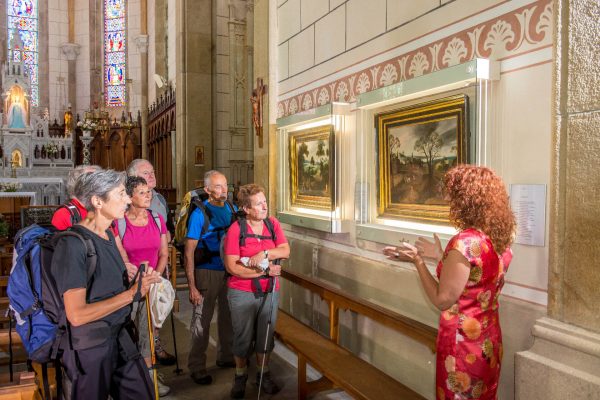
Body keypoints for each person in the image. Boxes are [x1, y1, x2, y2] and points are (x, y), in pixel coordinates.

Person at [383, 165, 515, 399]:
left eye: (452, 195)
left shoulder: (464, 243)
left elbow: (442, 299)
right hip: (488, 342)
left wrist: (418, 261)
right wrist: (441, 254)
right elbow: (477, 278)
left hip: (462, 346)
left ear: (467, 200)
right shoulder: (499, 238)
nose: (447, 200)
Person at [51, 169, 162, 399]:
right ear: (97, 201)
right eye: (121, 194)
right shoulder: (73, 244)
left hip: (119, 335)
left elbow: (108, 287)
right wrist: (131, 294)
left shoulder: (108, 235)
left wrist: (137, 278)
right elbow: (77, 315)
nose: (128, 199)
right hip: (91, 347)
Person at [222, 184, 290, 399]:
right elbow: (232, 266)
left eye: (265, 201)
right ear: (246, 208)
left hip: (270, 291)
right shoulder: (236, 229)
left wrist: (264, 253)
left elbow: (285, 250)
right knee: (242, 337)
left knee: (266, 335)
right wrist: (265, 272)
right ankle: (240, 375)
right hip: (242, 292)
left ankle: (263, 374)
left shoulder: (273, 224)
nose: (264, 205)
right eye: (259, 203)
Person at [113, 176, 170, 396]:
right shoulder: (120, 222)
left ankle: (150, 379)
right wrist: (135, 277)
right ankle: (127, 379)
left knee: (148, 333)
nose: (148, 196)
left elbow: (163, 252)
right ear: (129, 197)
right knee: (129, 332)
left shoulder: (157, 219)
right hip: (129, 285)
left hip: (153, 282)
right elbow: (122, 256)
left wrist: (156, 273)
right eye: (142, 192)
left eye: (149, 192)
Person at [184, 170, 236, 385]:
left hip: (228, 270)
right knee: (202, 321)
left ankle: (225, 356)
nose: (223, 190)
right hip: (206, 272)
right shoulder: (200, 214)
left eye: (225, 185)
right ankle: (197, 366)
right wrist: (192, 286)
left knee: (227, 317)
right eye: (217, 186)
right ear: (207, 190)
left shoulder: (231, 208)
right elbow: (189, 251)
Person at [126, 159, 175, 365]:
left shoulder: (160, 201)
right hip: (129, 280)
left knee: (152, 321)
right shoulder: (120, 217)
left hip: (156, 273)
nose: (153, 175)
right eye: (147, 173)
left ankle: (152, 359)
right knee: (132, 326)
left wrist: (157, 271)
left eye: (153, 171)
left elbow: (168, 232)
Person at [52, 165, 102, 230]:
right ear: (77, 186)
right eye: (92, 180)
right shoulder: (63, 214)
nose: (101, 186)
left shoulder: (102, 210)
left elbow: (114, 239)